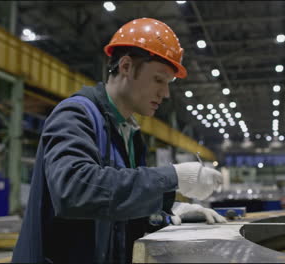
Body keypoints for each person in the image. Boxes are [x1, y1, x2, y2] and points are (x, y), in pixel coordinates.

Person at [12, 18, 226, 264]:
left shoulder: (129, 134)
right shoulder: (75, 115)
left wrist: (167, 208)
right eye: (159, 80)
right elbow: (75, 190)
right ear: (126, 66)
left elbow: (115, 200)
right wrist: (173, 176)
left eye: (168, 84)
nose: (165, 93)